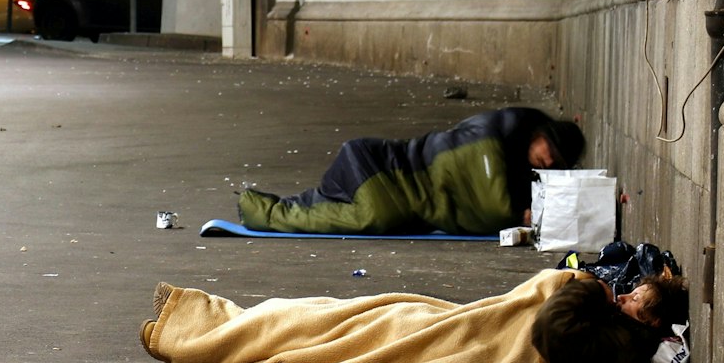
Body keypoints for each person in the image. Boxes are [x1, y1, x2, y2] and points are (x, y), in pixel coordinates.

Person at [140, 265, 660, 363]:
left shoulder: (621, 337)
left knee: (336, 332)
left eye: (639, 300)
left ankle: (197, 335)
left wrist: (582, 285)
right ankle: (208, 323)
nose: (628, 296)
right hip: (469, 326)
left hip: (481, 348)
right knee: (336, 313)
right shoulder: (621, 330)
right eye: (633, 291)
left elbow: (548, 326)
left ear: (651, 322)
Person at [237, 107, 585, 236]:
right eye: (549, 151)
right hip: (378, 167)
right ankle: (262, 210)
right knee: (375, 213)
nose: (550, 161)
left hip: (387, 174)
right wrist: (514, 214)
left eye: (558, 162)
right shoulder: (495, 133)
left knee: (370, 213)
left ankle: (275, 208)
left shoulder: (522, 164)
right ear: (541, 134)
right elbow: (486, 204)